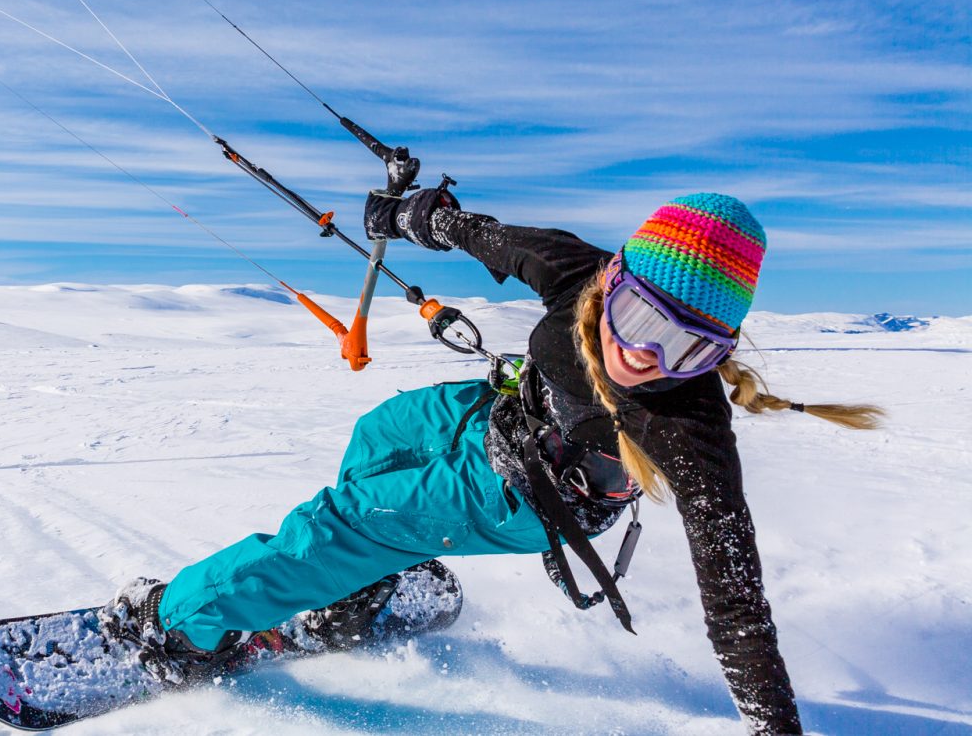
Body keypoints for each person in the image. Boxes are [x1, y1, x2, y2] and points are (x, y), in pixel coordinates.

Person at [104, 192, 882, 735]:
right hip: (496, 414)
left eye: (687, 347)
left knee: (344, 522)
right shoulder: (574, 268)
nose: (645, 354)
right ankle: (350, 596)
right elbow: (481, 235)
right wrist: (413, 217)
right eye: (641, 316)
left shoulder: (688, 424)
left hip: (531, 499)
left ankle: (174, 629)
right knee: (380, 436)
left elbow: (737, 604)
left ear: (717, 354)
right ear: (613, 279)